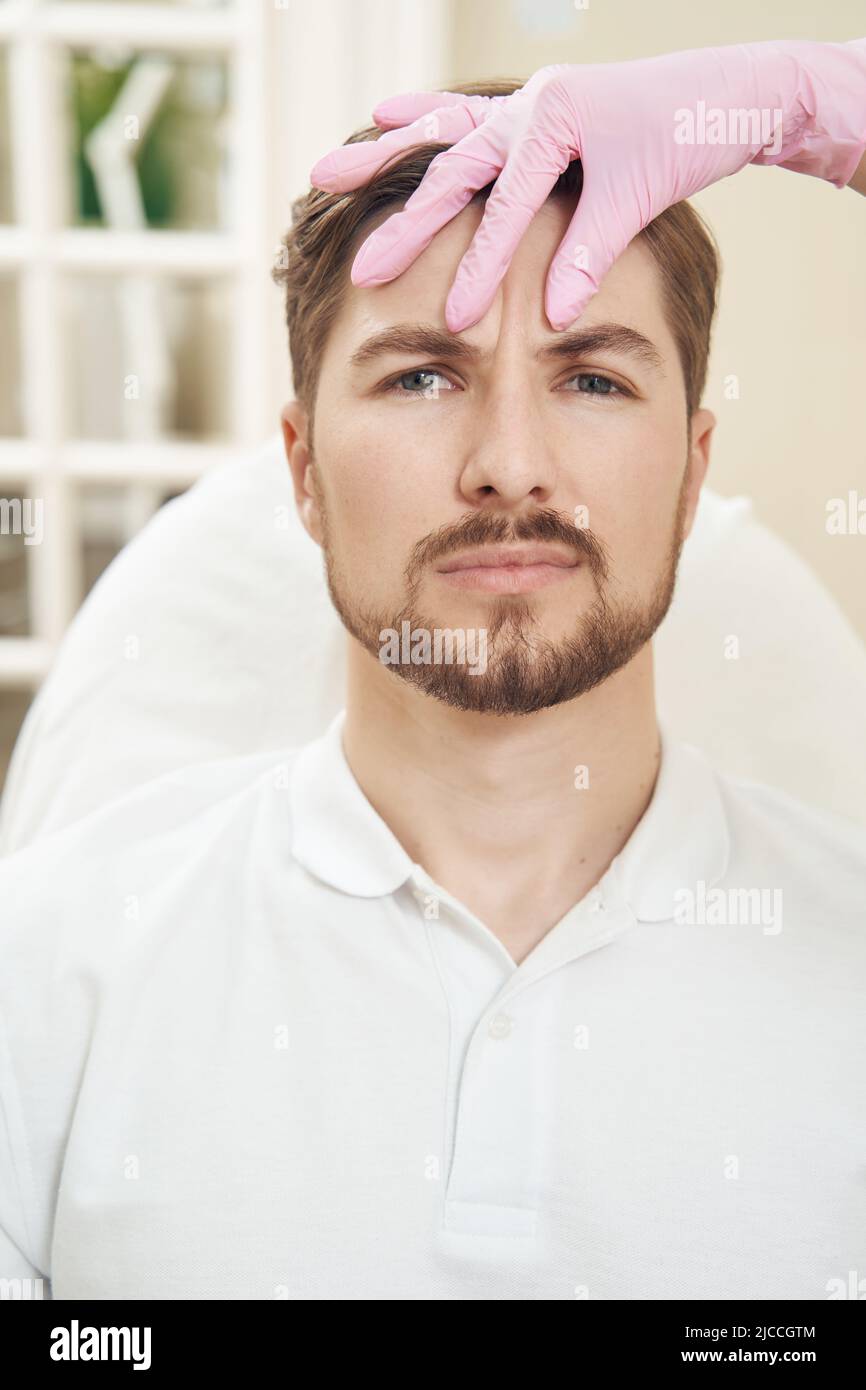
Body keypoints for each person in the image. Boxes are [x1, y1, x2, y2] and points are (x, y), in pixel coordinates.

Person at [0, 42, 864, 1301]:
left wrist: (814, 104)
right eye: (421, 374)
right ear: (299, 469)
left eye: (589, 376)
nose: (509, 465)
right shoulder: (46, 966)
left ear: (690, 474)